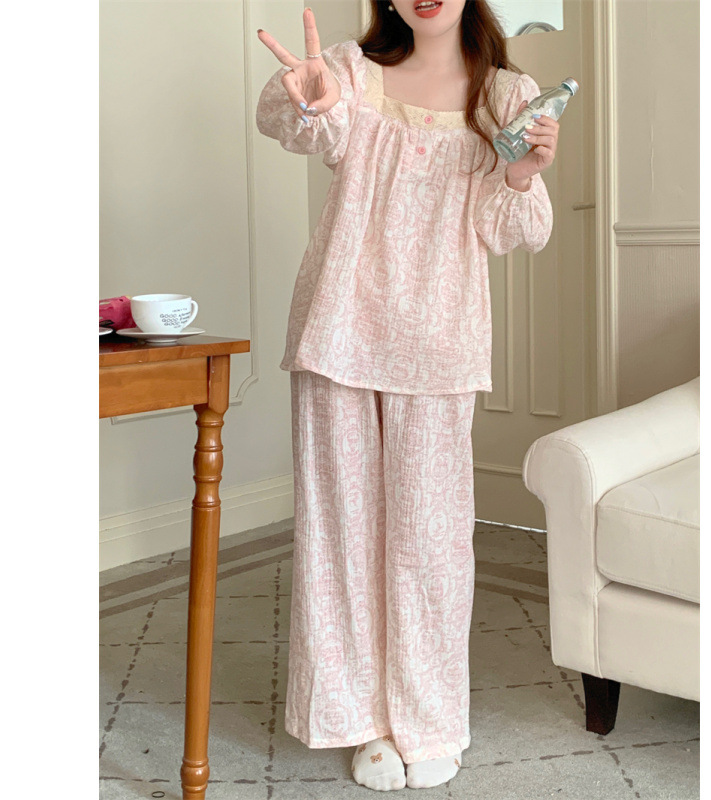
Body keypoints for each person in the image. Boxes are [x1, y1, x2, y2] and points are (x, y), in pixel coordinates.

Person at [255, 0, 559, 791]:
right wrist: (310, 99)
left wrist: (521, 172)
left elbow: (513, 229)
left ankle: (427, 720)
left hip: (439, 341)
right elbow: (299, 125)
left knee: (431, 543)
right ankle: (361, 722)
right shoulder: (352, 71)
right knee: (342, 537)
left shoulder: (507, 94)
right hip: (339, 330)